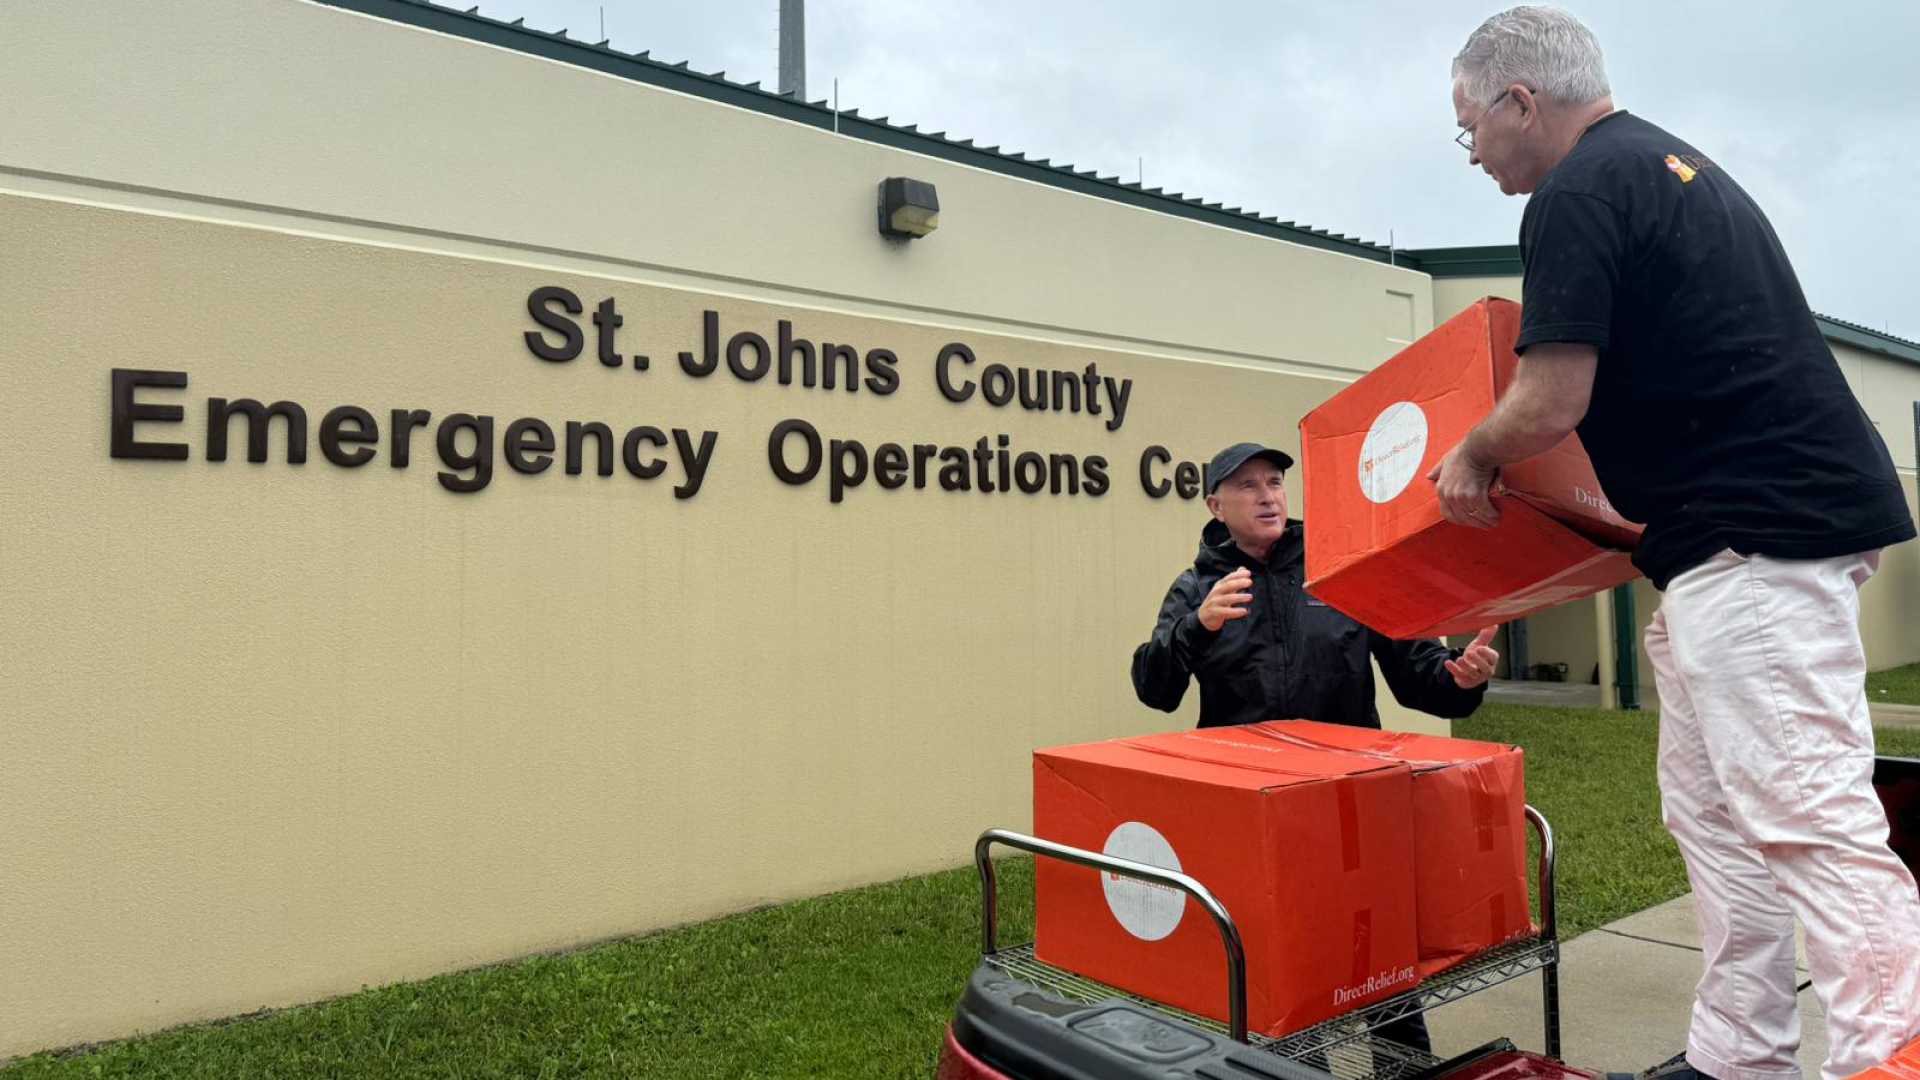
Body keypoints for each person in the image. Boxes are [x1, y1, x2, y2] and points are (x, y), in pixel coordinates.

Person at [1430, 9, 1920, 1080]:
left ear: (1522, 100)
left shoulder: (1578, 190)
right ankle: (1738, 1052)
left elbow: (1553, 397)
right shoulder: (1667, 164)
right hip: (1729, 548)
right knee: (1716, 819)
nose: (1472, 154)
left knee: (1810, 823)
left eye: (1469, 129)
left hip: (1758, 542)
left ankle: (1890, 1060)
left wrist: (1469, 457)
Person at [1132, 441, 1501, 1057]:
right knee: (1279, 969)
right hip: (1250, 812)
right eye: (1247, 485)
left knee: (1377, 962)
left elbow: (1415, 669)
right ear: (1214, 504)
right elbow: (1154, 689)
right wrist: (1197, 627)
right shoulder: (1197, 587)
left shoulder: (1340, 569)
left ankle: (1402, 1069)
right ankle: (1301, 1071)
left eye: (1274, 481)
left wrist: (1458, 675)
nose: (1267, 494)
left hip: (1352, 806)